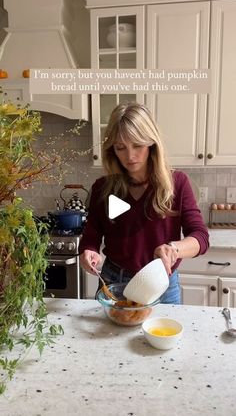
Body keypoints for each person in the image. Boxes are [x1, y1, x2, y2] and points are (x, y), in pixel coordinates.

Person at [79, 102, 209, 304]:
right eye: (120, 147)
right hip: (114, 282)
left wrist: (173, 249)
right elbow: (92, 235)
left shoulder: (177, 183)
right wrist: (88, 251)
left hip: (161, 283)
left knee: (162, 335)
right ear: (112, 149)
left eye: (137, 145)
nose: (129, 156)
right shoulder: (102, 188)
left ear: (152, 144)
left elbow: (200, 237)